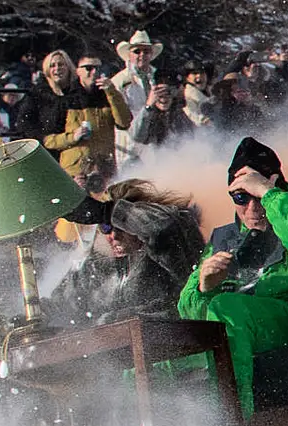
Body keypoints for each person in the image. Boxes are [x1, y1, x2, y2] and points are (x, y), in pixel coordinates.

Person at [177, 138, 288, 420]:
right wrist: (204, 287)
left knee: (228, 309)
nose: (253, 208)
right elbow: (193, 314)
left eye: (257, 195)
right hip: (242, 329)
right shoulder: (224, 238)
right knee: (151, 351)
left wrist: (269, 194)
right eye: (241, 197)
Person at [47, 178, 205, 327]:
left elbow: (164, 227)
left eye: (122, 226)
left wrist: (107, 212)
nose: (114, 236)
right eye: (106, 227)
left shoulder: (169, 246)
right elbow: (60, 305)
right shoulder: (94, 267)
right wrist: (32, 316)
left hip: (178, 345)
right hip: (115, 353)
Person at [111, 30, 163, 167]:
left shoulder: (157, 78)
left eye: (146, 51)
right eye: (137, 51)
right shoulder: (119, 81)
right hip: (128, 144)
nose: (142, 55)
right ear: (128, 54)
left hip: (153, 143)